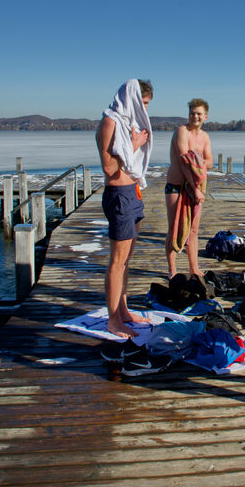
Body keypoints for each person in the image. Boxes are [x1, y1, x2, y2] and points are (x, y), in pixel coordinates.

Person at [96, 78, 153, 338]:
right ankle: (112, 320)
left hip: (132, 192)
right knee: (117, 262)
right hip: (118, 194)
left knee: (126, 260)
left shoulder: (126, 123)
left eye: (147, 105)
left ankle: (124, 310)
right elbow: (109, 167)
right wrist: (134, 145)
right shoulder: (110, 122)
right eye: (142, 103)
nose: (144, 109)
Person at [165, 98, 213, 278]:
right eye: (192, 113)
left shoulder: (205, 137)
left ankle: (194, 268)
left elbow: (209, 161)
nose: (195, 116)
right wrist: (196, 187)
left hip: (196, 189)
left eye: (199, 113)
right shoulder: (181, 132)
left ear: (205, 116)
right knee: (174, 228)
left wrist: (197, 159)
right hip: (176, 186)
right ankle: (172, 269)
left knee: (193, 230)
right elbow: (184, 162)